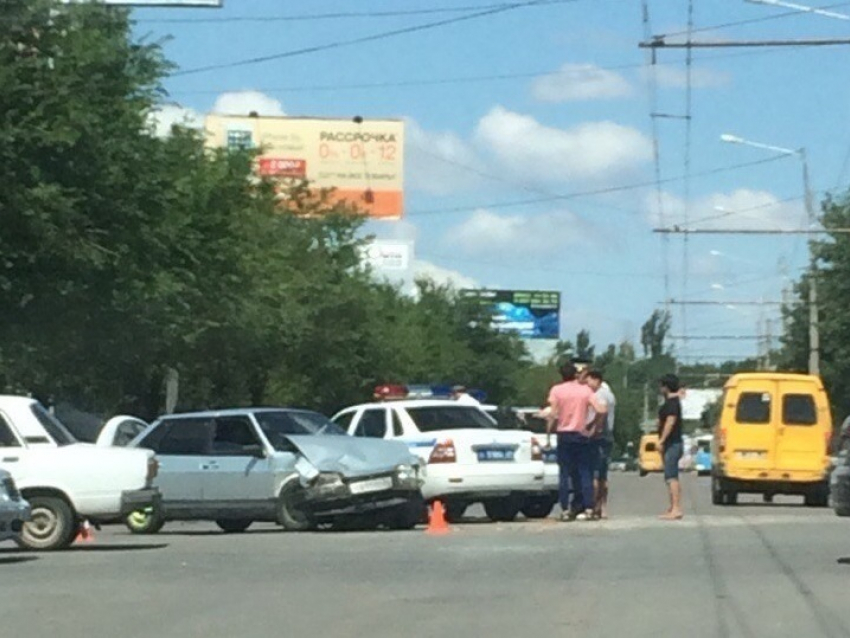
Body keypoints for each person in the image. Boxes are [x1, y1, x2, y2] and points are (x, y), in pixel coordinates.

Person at [546, 362, 607, 522]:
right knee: (585, 472)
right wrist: (594, 426)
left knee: (564, 473)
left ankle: (565, 509)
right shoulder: (585, 390)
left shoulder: (556, 390)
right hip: (581, 435)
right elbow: (601, 409)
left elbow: (553, 414)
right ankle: (588, 508)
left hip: (564, 435)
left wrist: (549, 432)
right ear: (574, 375)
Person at [585, 370, 616, 519]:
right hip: (608, 437)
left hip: (599, 438)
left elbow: (601, 412)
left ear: (596, 380)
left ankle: (594, 507)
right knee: (603, 475)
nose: (587, 384)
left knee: (595, 475)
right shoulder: (610, 394)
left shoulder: (600, 395)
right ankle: (603, 507)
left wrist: (592, 427)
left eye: (588, 380)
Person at [658, 373, 685, 520]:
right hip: (671, 443)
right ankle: (672, 507)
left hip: (673, 443)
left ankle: (676, 508)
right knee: (669, 476)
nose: (660, 388)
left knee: (671, 476)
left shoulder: (672, 403)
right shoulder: (671, 402)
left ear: (666, 387)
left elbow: (670, 422)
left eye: (661, 385)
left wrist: (661, 440)